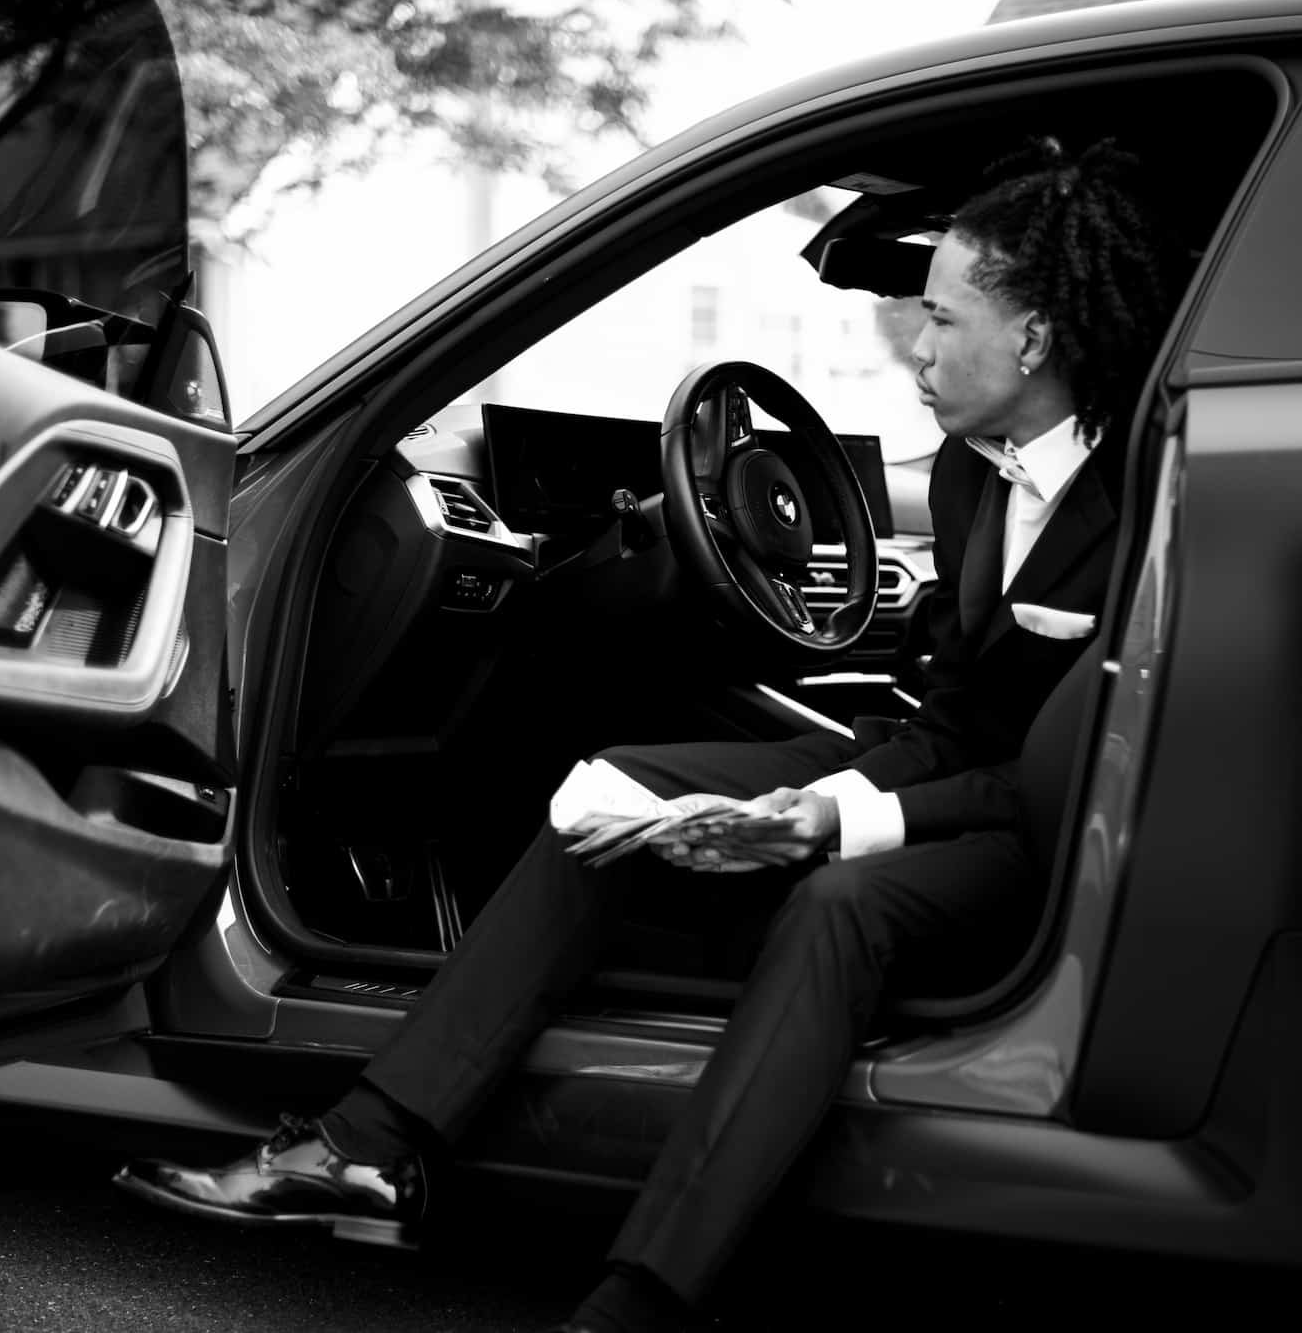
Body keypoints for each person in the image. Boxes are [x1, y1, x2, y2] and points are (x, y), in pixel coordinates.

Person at [116, 136, 1180, 1333]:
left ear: (1032, 339)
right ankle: (370, 1148)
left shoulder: (1155, 486)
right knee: (610, 799)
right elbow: (951, 711)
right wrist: (817, 797)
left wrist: (842, 818)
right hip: (945, 764)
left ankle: (643, 1297)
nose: (916, 347)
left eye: (940, 319)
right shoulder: (967, 472)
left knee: (842, 907)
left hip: (1050, 823)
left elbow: (1059, 763)